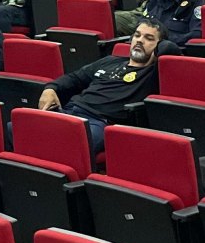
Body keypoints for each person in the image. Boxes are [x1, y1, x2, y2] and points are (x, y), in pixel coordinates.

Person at [36, 19, 173, 156]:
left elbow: (171, 49)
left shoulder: (154, 72)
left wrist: (157, 52)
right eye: (137, 35)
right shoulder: (111, 61)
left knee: (63, 147)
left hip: (99, 123)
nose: (140, 41)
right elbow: (75, 78)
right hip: (69, 110)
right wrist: (50, 89)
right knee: (25, 131)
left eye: (149, 38)